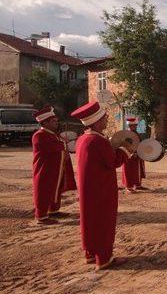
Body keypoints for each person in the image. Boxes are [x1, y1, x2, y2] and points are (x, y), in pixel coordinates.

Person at [71, 101, 132, 270]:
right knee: (103, 221)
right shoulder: (98, 141)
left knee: (90, 220)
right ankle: (104, 258)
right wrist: (124, 149)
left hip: (89, 188)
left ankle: (90, 253)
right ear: (97, 122)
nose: (106, 120)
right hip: (101, 189)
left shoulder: (83, 138)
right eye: (104, 118)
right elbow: (113, 162)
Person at [31, 105, 76, 225]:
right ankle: (41, 217)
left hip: (57, 168)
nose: (56, 123)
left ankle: (54, 210)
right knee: (43, 191)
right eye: (53, 121)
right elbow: (52, 147)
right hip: (45, 169)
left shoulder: (54, 134)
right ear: (45, 123)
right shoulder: (39, 135)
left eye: (56, 120)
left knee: (56, 189)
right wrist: (65, 143)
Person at [121, 117, 146, 193]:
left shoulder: (136, 133)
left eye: (135, 125)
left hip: (137, 155)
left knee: (137, 170)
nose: (135, 127)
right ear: (129, 126)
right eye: (133, 126)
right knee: (129, 171)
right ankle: (129, 186)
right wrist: (131, 153)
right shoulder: (126, 134)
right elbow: (124, 145)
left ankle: (137, 185)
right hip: (129, 156)